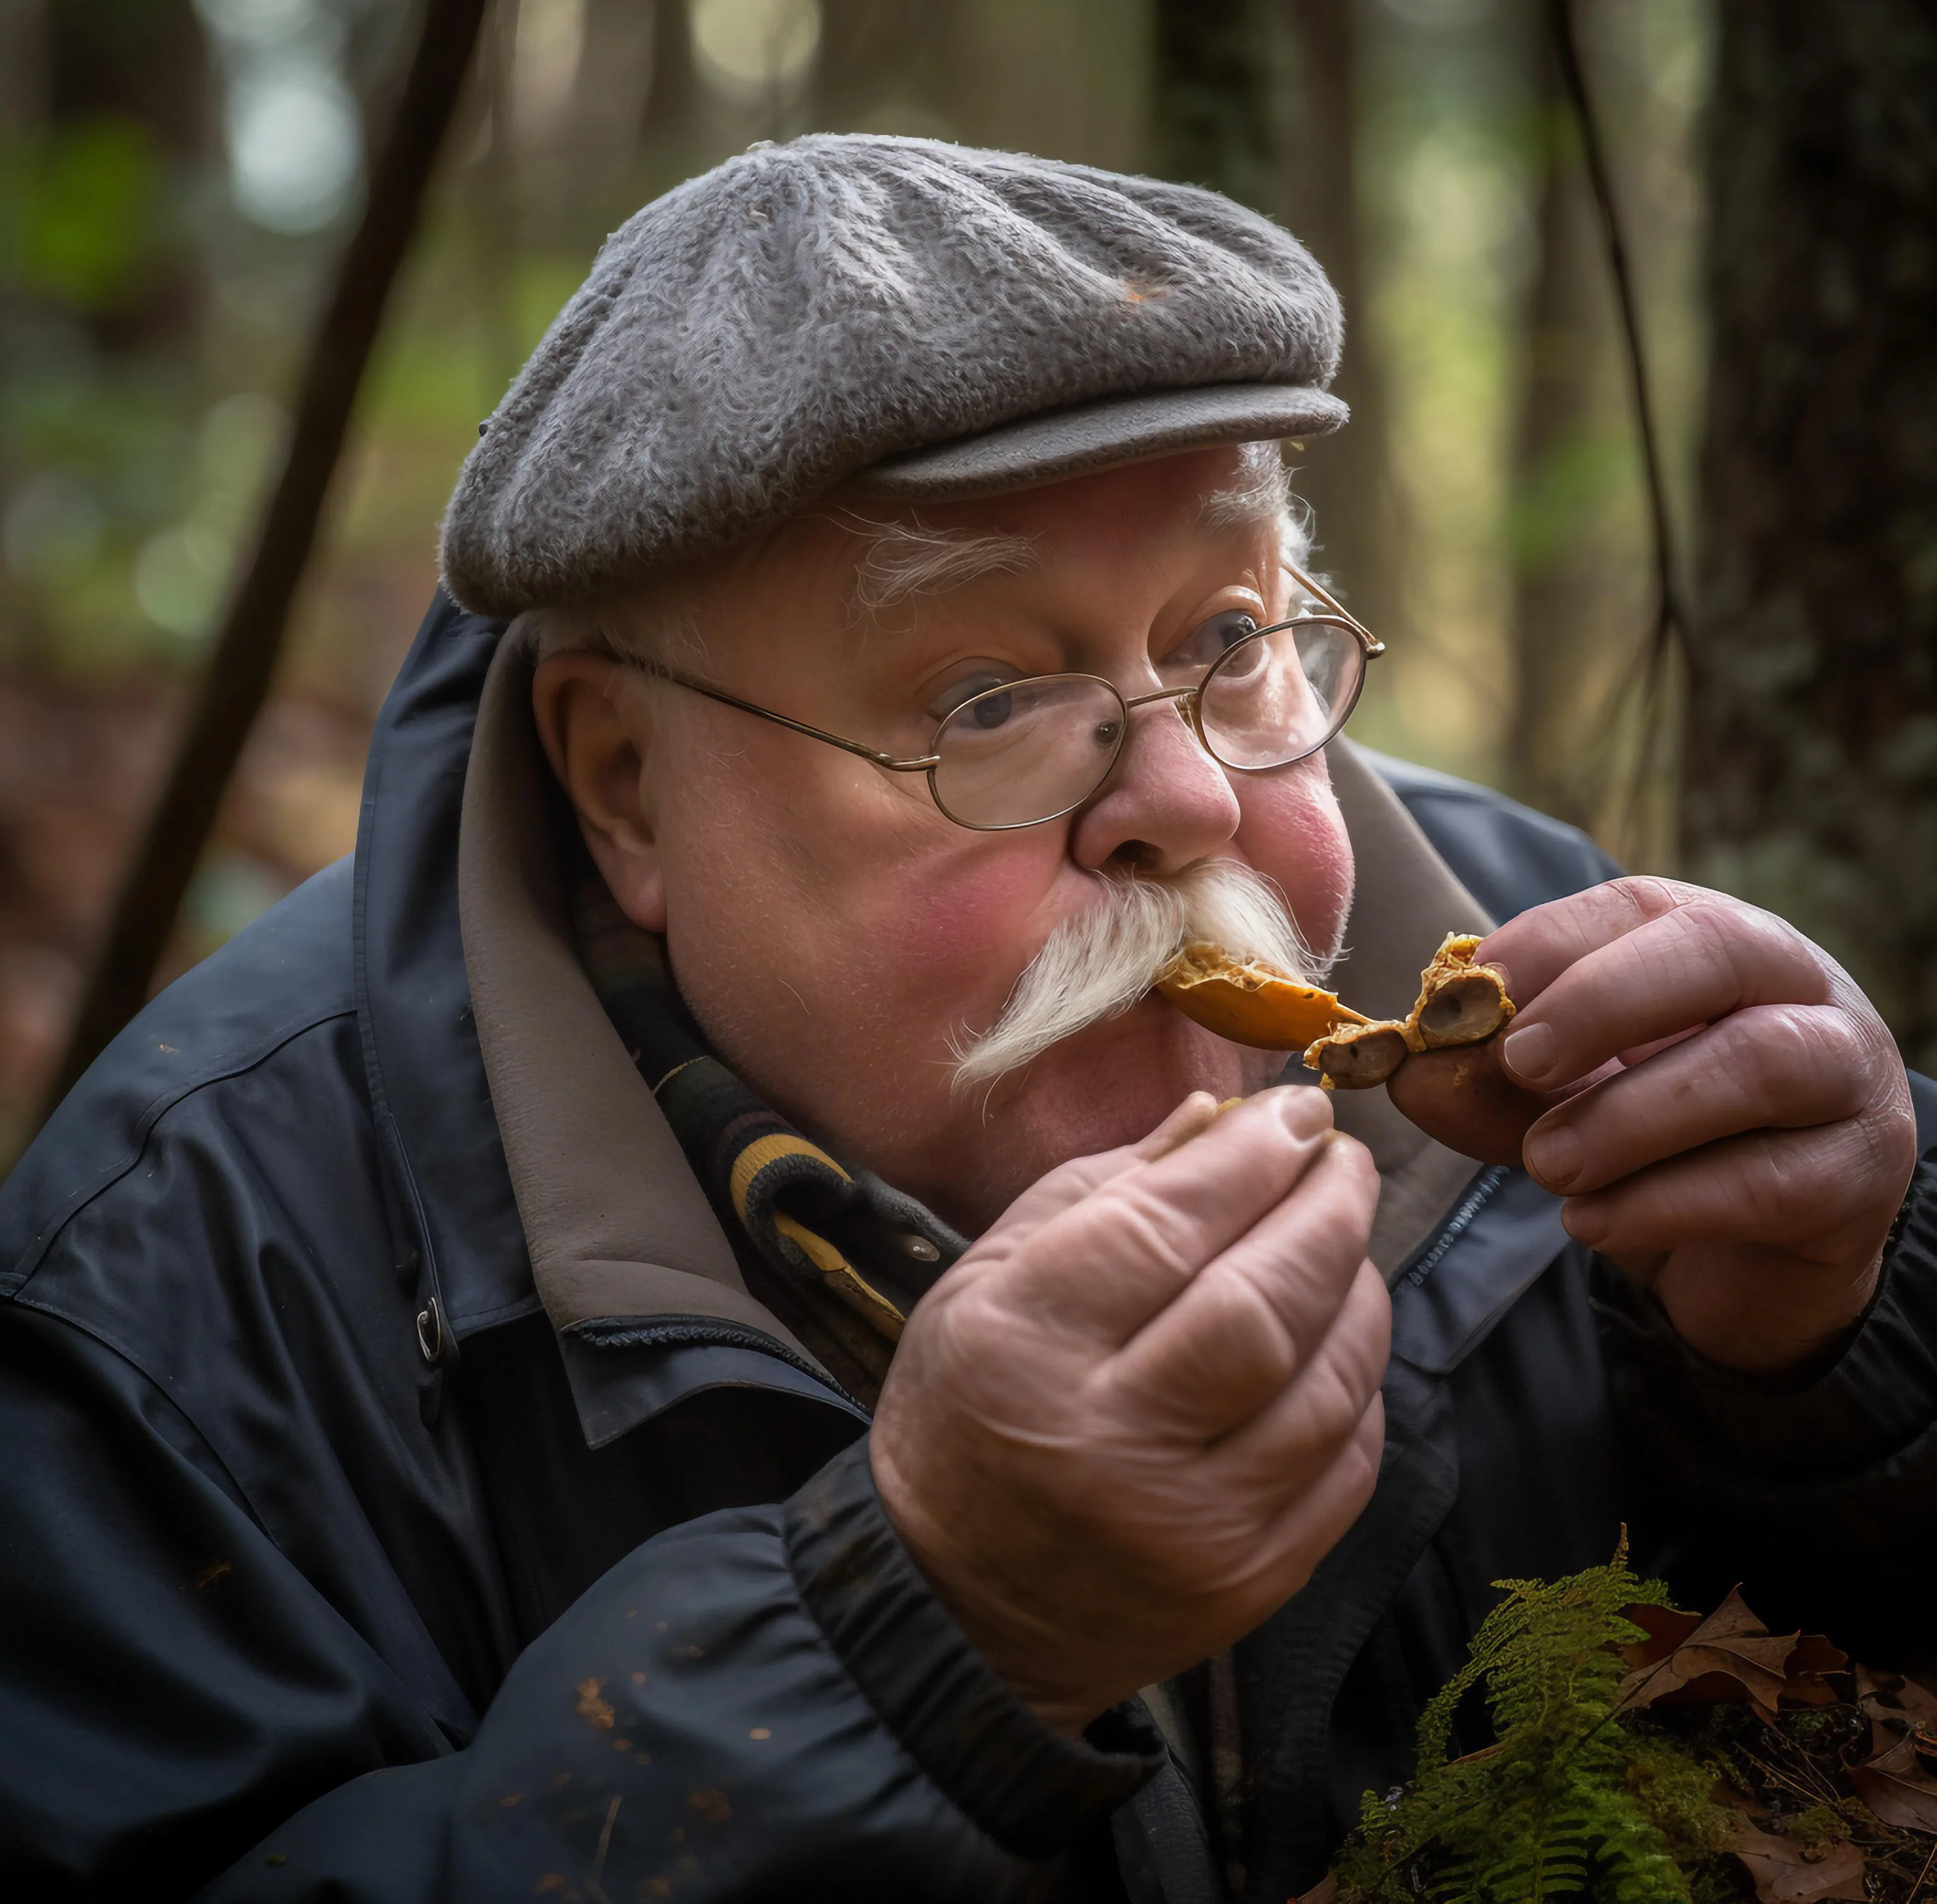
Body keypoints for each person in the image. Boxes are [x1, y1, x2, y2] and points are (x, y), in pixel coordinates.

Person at [1, 137, 1931, 1904]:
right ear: (625, 786)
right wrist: (919, 1636)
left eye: (1231, 640)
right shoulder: (189, 1272)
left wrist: (1850, 1344)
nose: (1182, 800)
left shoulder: (1545, 960)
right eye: (988, 698)